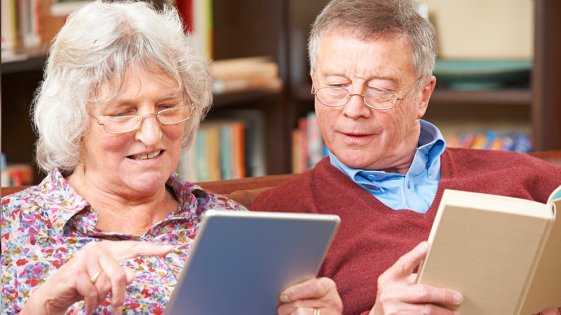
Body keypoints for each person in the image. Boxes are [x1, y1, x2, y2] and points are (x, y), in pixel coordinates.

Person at [0, 2, 342, 314]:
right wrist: (44, 306)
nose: (151, 135)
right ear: (74, 121)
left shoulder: (231, 226)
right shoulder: (11, 230)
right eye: (123, 112)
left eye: (166, 107)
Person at [250, 0, 561, 314]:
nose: (353, 109)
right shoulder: (281, 215)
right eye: (336, 85)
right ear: (315, 82)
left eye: (381, 89)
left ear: (422, 96)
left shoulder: (527, 177)